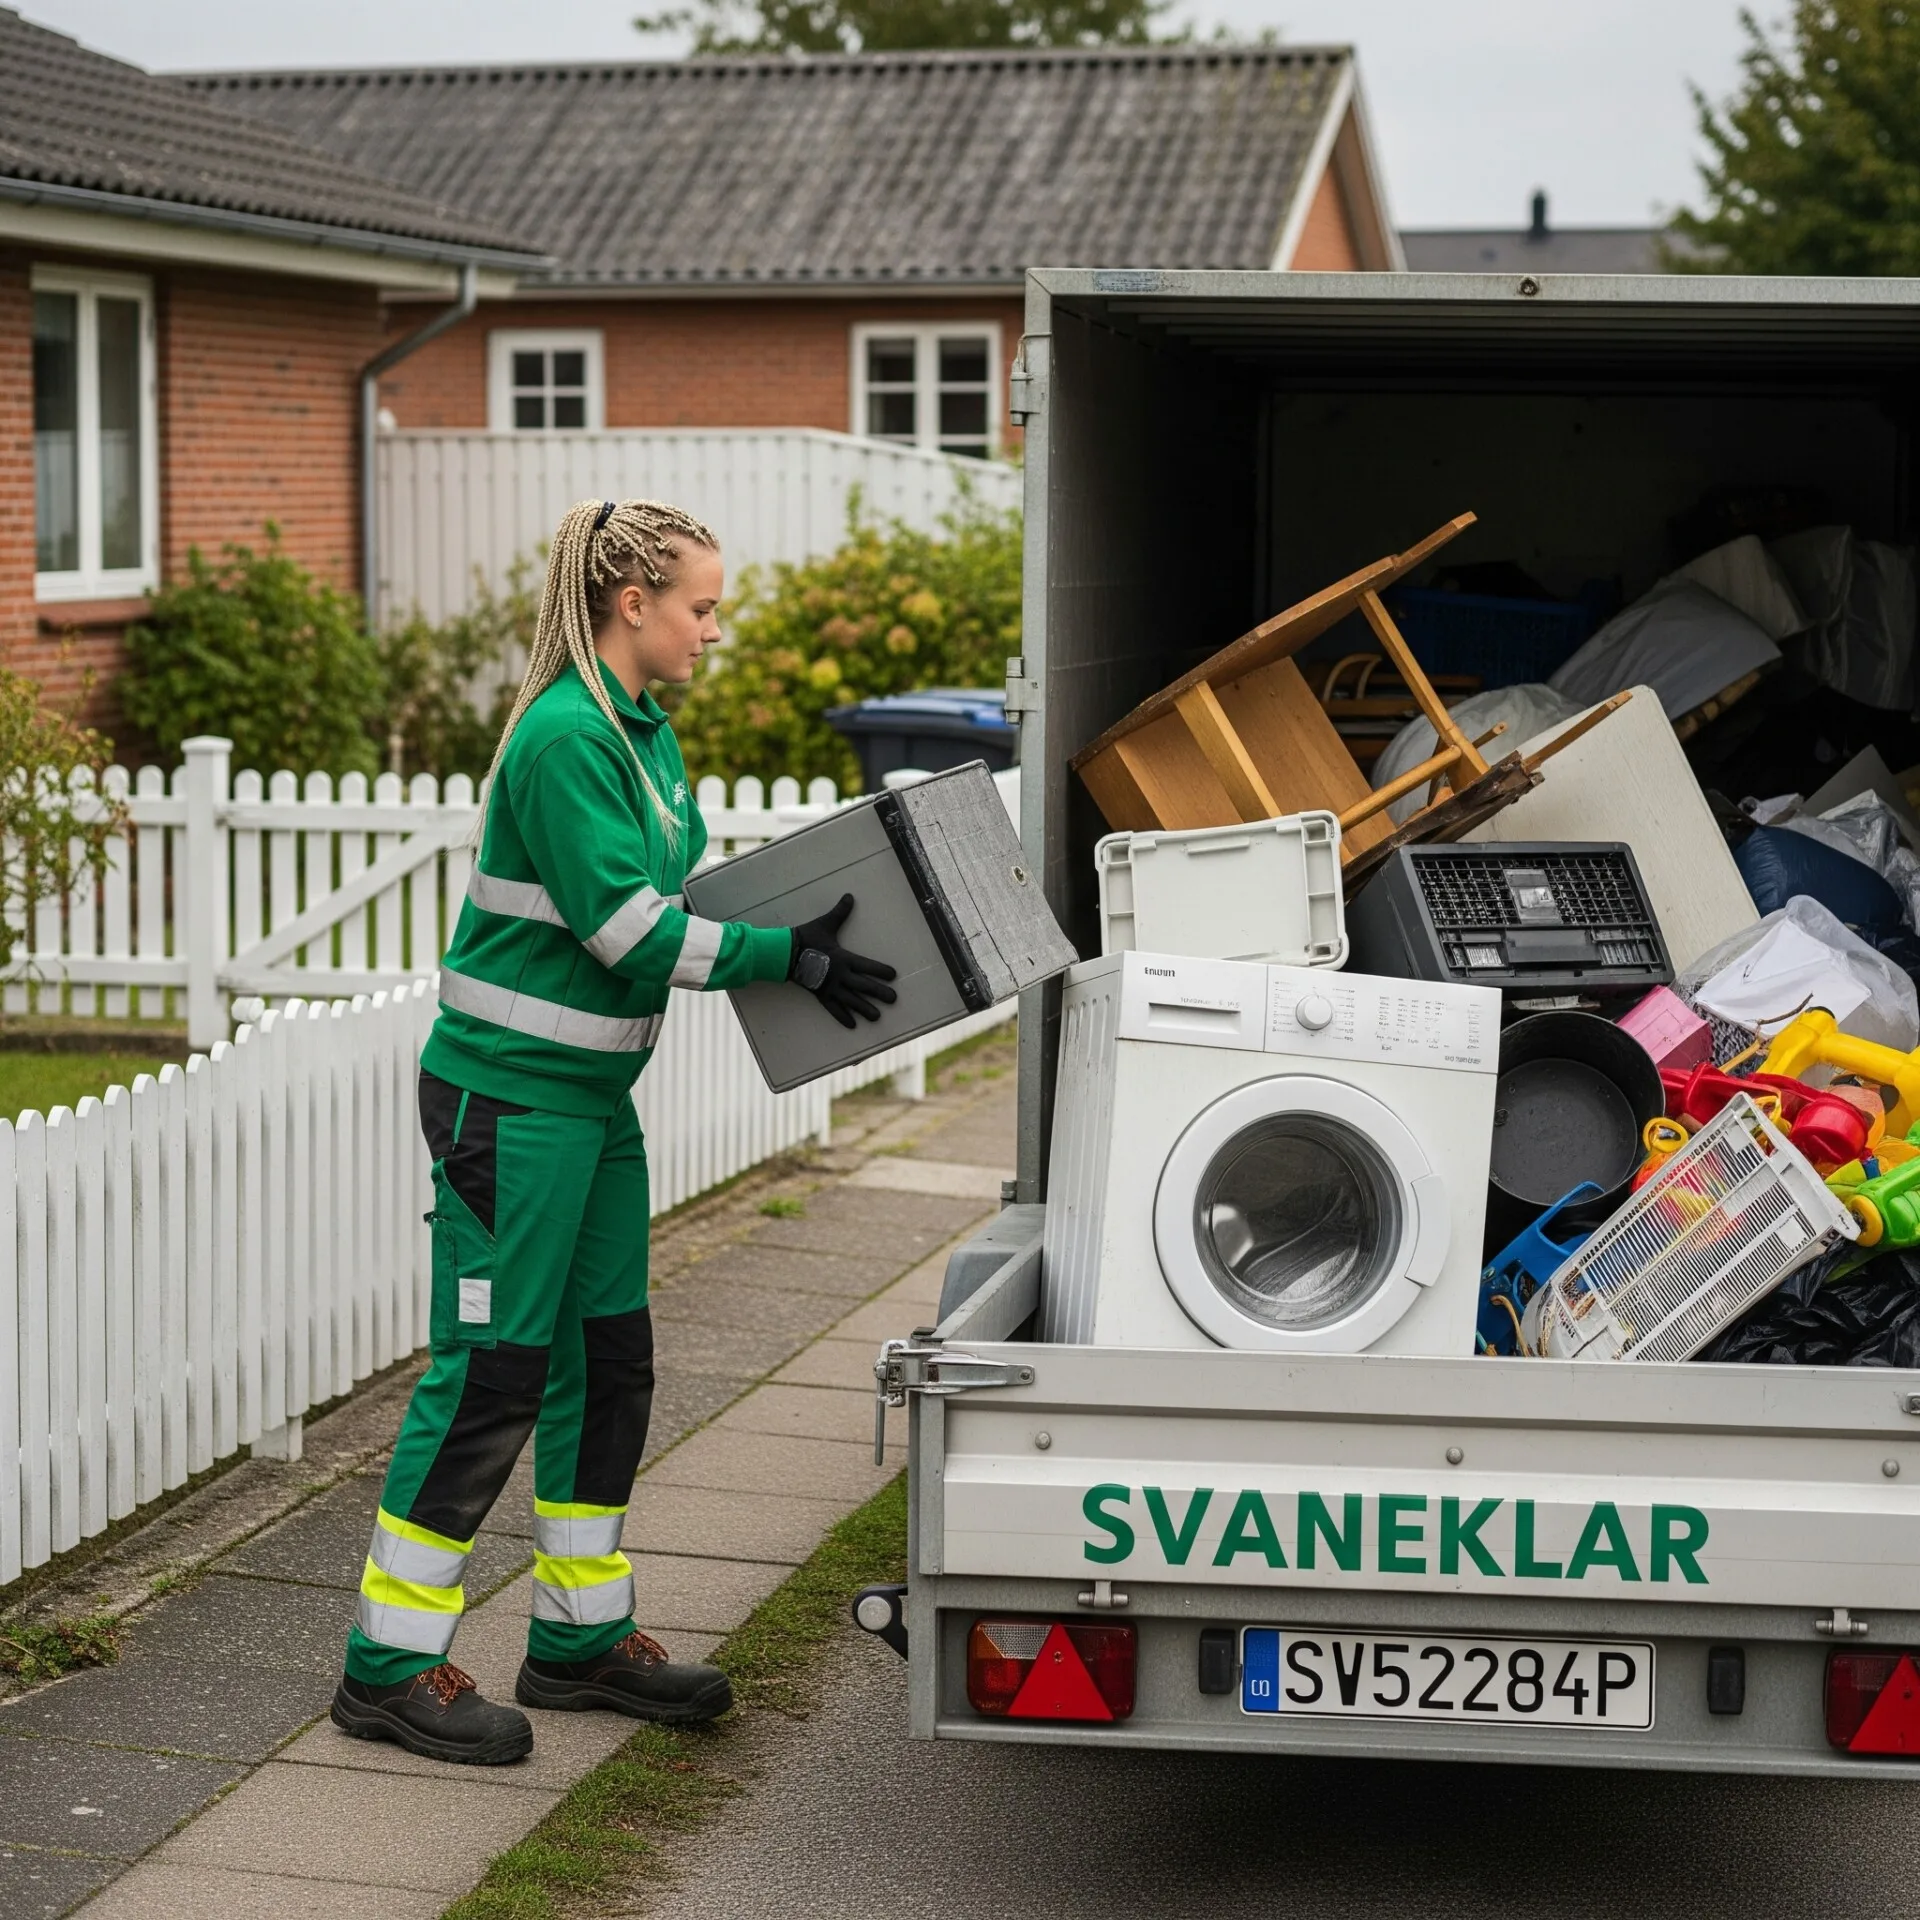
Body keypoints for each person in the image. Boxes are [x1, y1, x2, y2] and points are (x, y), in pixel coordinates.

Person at [329, 498, 897, 1764]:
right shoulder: (568, 737)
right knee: (491, 1377)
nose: (714, 628)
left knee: (610, 1363)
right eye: (701, 604)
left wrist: (787, 926)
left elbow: (664, 894)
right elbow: (626, 930)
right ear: (629, 602)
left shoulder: (641, 732)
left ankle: (580, 1638)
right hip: (507, 1104)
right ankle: (387, 1663)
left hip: (588, 1104)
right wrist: (786, 956)